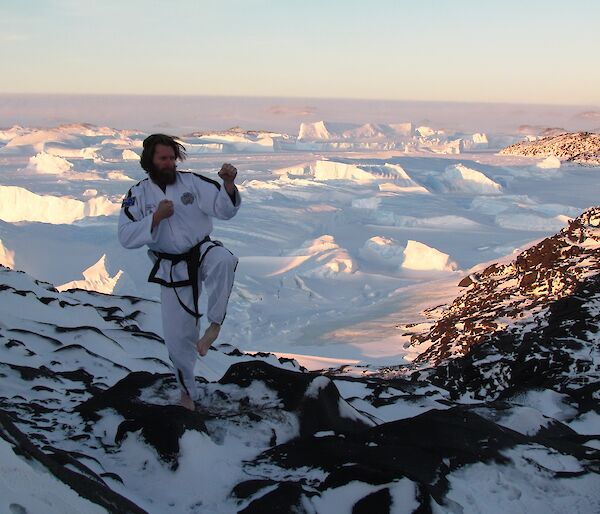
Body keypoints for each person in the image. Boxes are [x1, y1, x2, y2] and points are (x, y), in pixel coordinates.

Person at [118, 134, 241, 410]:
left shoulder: (192, 182)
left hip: (202, 250)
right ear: (150, 161)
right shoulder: (137, 195)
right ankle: (187, 393)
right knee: (177, 339)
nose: (170, 163)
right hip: (172, 267)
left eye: (173, 158)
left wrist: (229, 185)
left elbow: (224, 209)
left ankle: (214, 325)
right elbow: (125, 236)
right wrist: (154, 218)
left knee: (225, 260)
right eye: (164, 158)